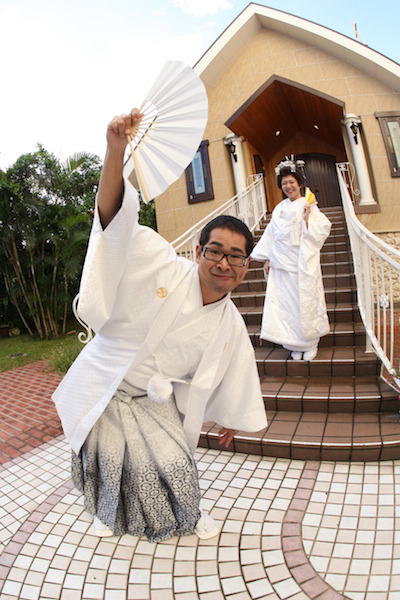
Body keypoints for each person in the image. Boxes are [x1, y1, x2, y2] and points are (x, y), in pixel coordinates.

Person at [52, 108, 267, 542]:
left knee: (175, 467)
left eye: (235, 256)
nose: (223, 263)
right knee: (106, 463)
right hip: (109, 385)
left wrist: (231, 416)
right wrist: (116, 152)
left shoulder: (230, 324)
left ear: (246, 266)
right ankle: (107, 514)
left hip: (157, 403)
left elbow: (237, 371)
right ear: (197, 251)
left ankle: (185, 516)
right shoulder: (158, 261)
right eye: (215, 250)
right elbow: (113, 224)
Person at [251, 157, 331, 361]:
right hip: (281, 264)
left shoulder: (309, 204)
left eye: (291, 182)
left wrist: (306, 219)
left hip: (302, 262)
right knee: (287, 304)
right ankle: (294, 342)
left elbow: (322, 228)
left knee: (305, 301)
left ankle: (310, 342)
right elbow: (272, 234)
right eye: (284, 183)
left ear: (299, 184)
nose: (288, 186)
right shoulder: (278, 209)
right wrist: (267, 258)